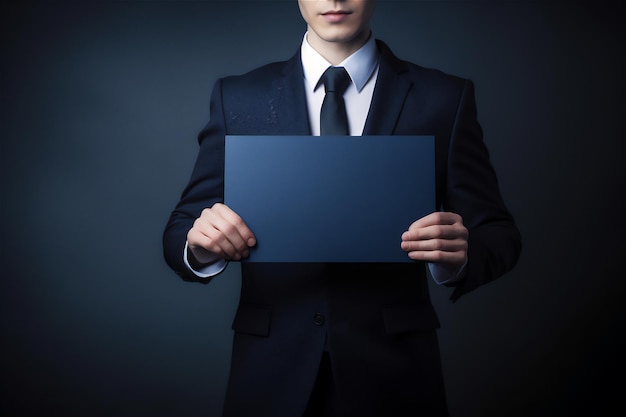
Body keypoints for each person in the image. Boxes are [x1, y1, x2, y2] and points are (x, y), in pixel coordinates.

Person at [163, 1, 521, 416]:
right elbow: (181, 229)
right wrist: (199, 246)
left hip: (396, 377)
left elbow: (497, 232)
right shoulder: (239, 96)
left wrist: (458, 256)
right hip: (269, 373)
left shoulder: (445, 97)